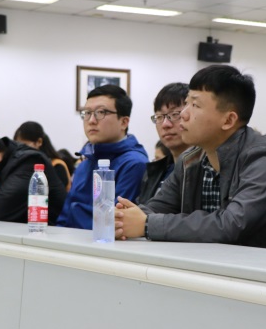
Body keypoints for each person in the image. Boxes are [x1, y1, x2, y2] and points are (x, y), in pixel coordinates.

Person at [115, 65, 266, 251]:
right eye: (186, 103)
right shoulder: (190, 159)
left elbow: (231, 224)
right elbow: (157, 207)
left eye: (195, 105)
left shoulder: (263, 159)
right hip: (217, 265)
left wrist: (147, 224)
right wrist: (122, 218)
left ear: (228, 120)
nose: (183, 114)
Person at [57, 85, 148, 229]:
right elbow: (63, 220)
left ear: (124, 122)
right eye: (87, 113)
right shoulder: (84, 164)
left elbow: (113, 223)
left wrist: (76, 210)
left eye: (101, 112)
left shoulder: (134, 164)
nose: (91, 120)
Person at [138, 82, 191, 204]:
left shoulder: (206, 169)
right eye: (159, 117)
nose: (165, 124)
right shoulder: (155, 170)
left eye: (175, 114)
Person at [14, 121, 72, 191]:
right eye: (18, 146)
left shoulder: (57, 165)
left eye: (24, 146)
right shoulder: (25, 165)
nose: (21, 150)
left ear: (39, 142)